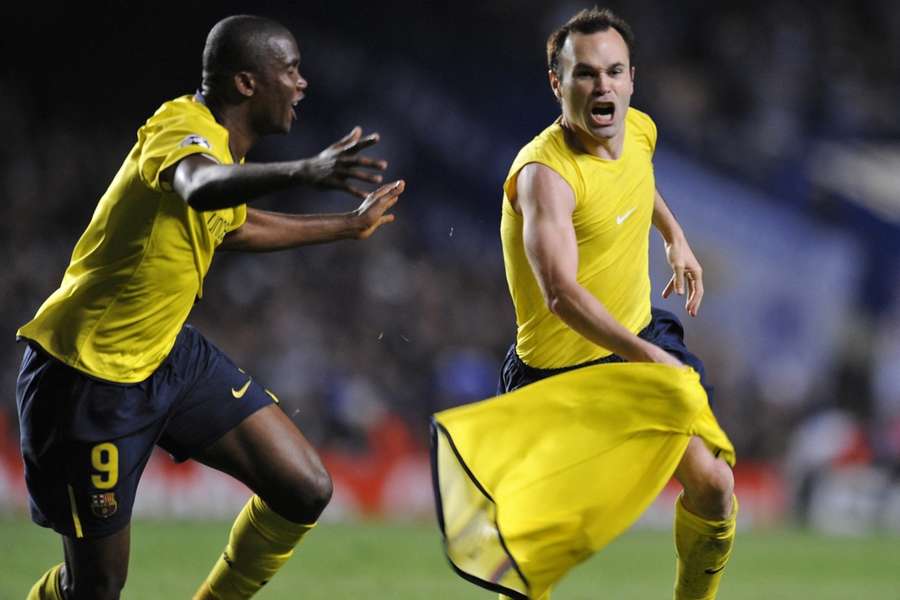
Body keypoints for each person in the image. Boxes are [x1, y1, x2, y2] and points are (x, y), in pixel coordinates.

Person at [16, 14, 405, 600]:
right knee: (93, 589)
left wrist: (347, 228)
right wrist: (307, 170)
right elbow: (199, 187)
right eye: (290, 69)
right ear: (247, 83)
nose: (302, 83)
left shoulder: (227, 155)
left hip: (168, 356)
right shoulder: (181, 125)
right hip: (88, 377)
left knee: (303, 486)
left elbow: (232, 225)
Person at [431, 8, 736, 600]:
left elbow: (638, 180)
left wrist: (675, 238)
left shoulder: (640, 130)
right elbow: (561, 295)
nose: (602, 86)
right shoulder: (545, 176)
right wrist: (647, 357)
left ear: (630, 80)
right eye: (585, 74)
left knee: (715, 487)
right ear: (557, 83)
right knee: (527, 563)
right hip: (557, 381)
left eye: (613, 72)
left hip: (634, 345)